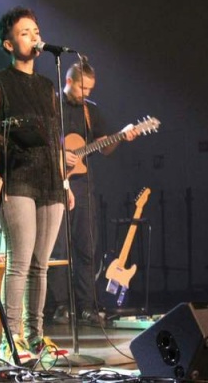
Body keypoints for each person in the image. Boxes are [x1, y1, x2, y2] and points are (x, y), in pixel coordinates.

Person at [0, 6, 74, 363]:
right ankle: (11, 338)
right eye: (25, 33)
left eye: (36, 31)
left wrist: (65, 182)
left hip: (50, 179)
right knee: (19, 262)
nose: (34, 38)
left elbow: (54, 136)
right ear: (8, 44)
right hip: (17, 177)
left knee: (40, 265)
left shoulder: (48, 86)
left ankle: (35, 336)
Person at [47, 60, 138, 325]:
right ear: (69, 81)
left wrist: (120, 136)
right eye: (82, 88)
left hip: (83, 185)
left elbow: (103, 147)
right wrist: (60, 155)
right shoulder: (51, 105)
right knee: (58, 248)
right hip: (54, 183)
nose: (86, 93)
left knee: (87, 246)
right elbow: (40, 142)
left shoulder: (91, 111)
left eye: (90, 89)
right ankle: (61, 306)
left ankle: (86, 306)